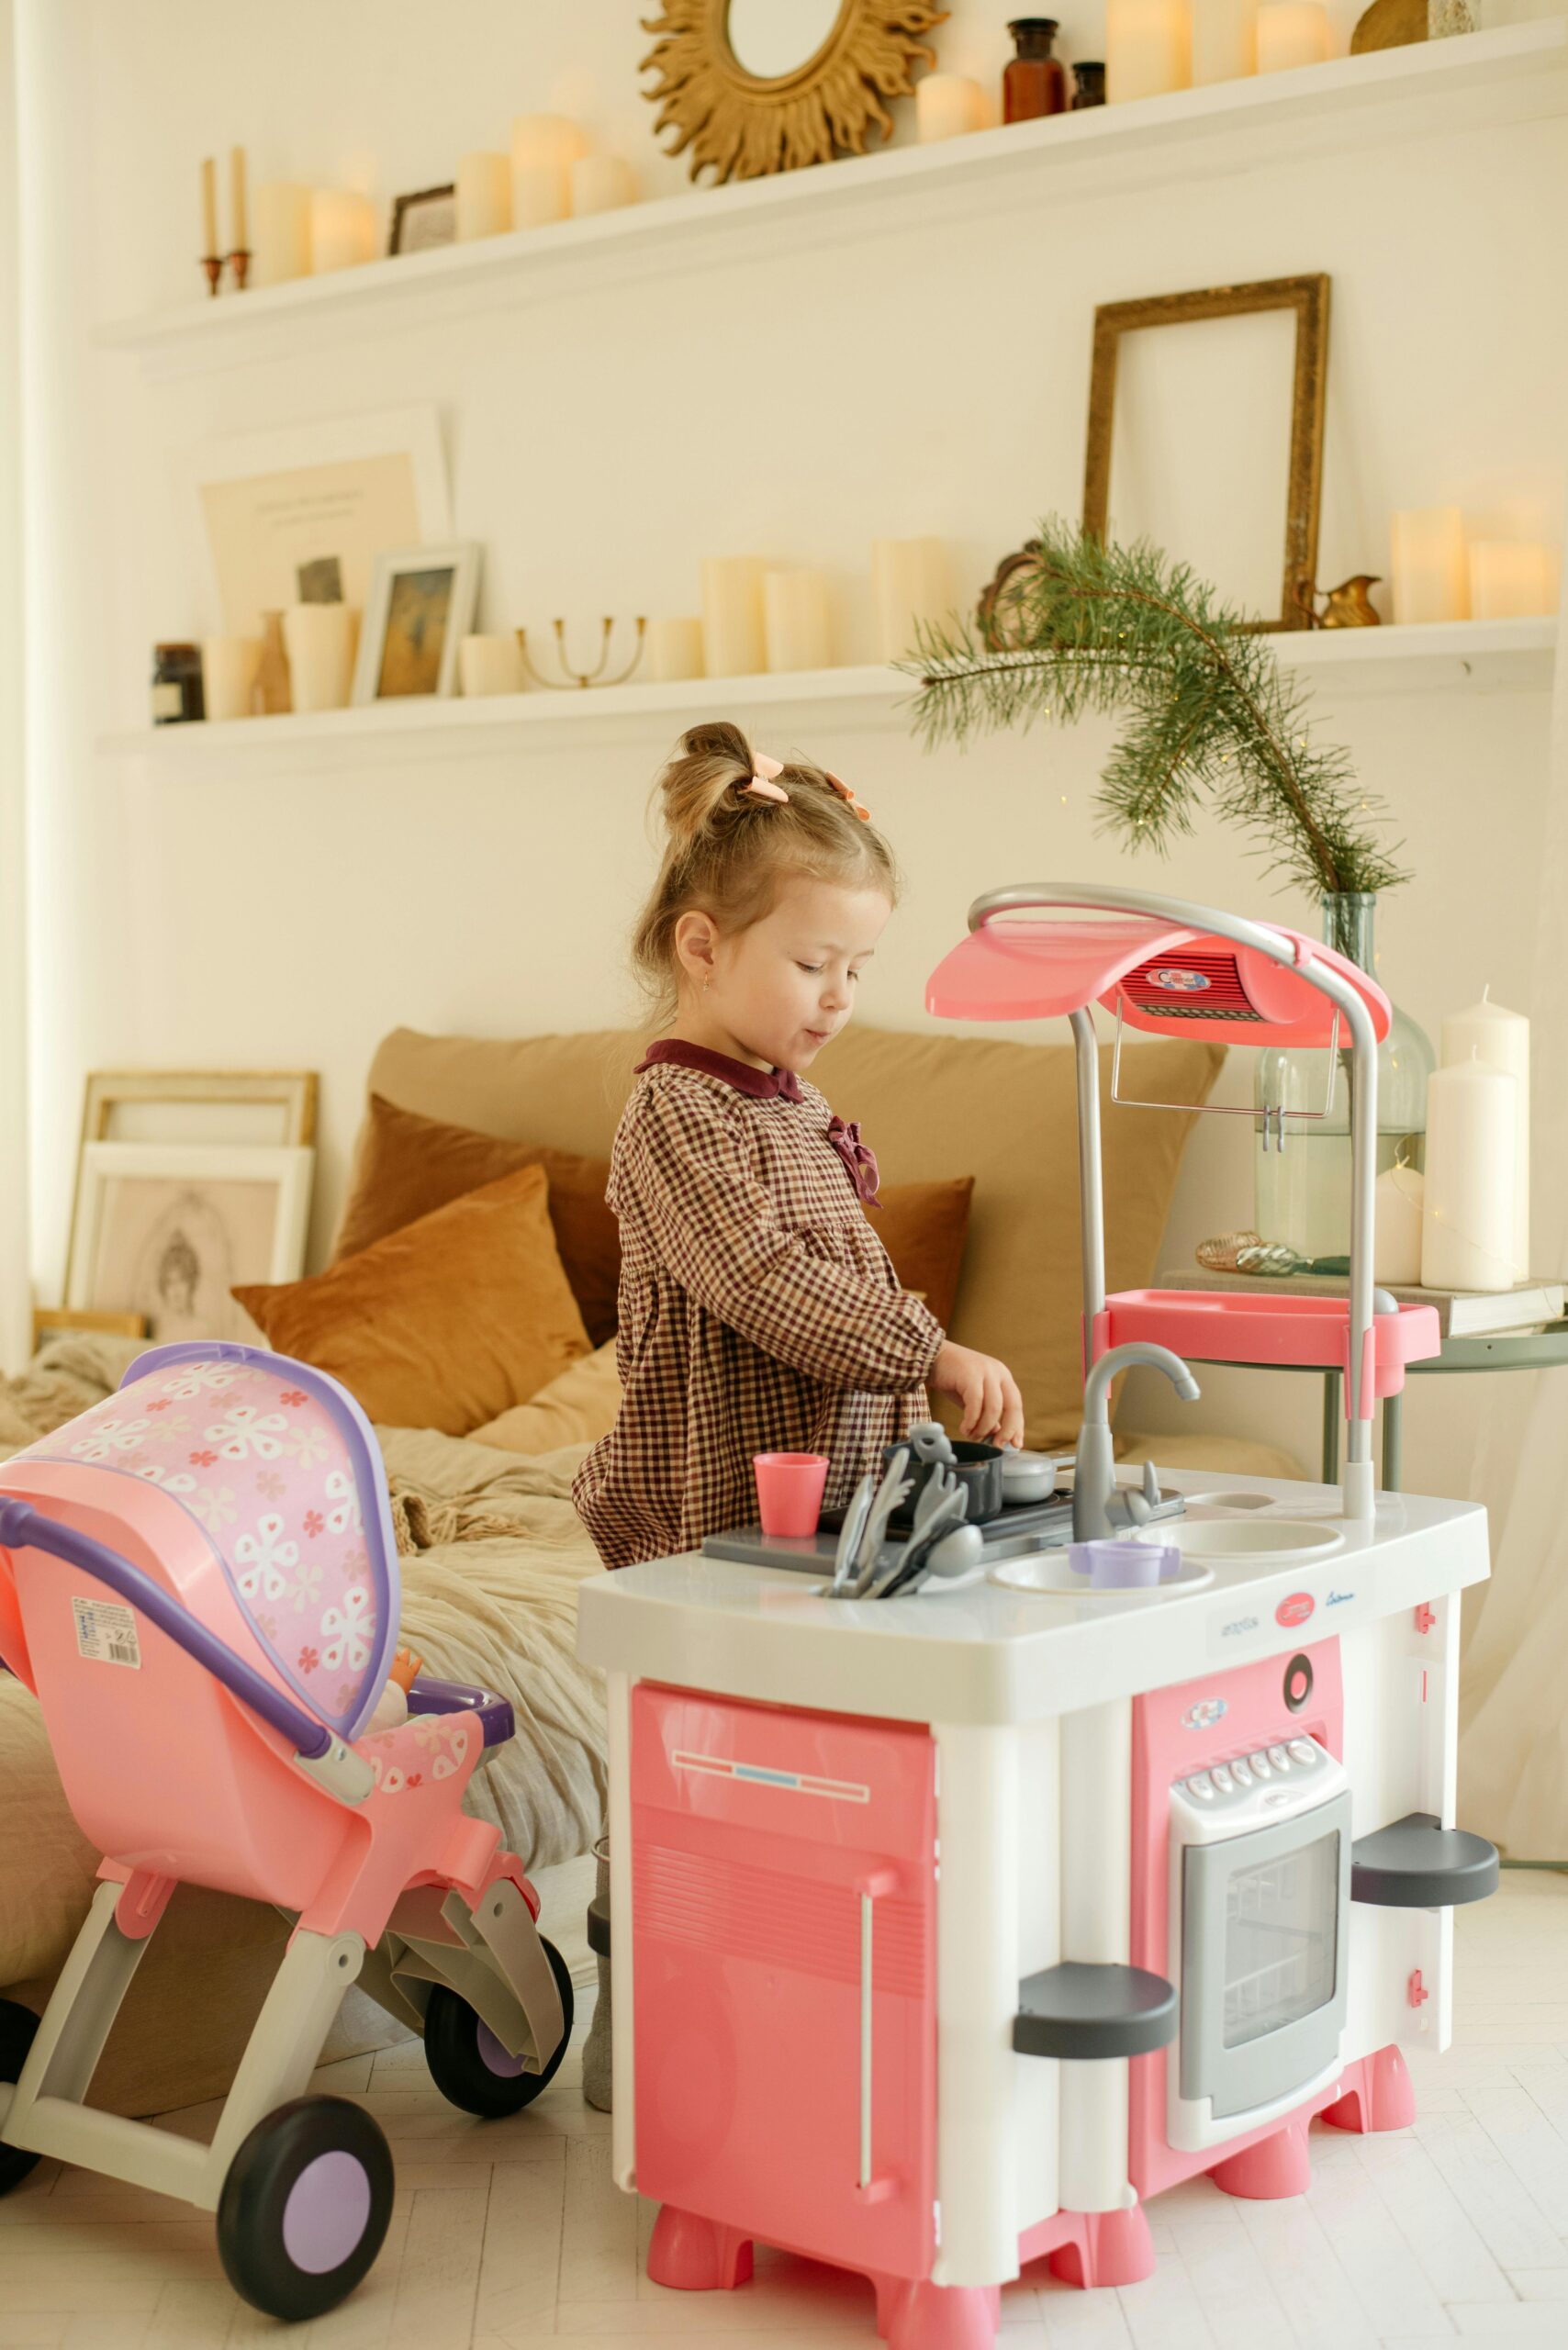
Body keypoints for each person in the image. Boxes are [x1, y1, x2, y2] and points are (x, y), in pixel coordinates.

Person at [573, 721, 1023, 1572]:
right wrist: (929, 1351)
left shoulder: (795, 1102)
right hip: (720, 1522)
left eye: (857, 969)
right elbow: (762, 1280)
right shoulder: (676, 1112)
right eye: (814, 964)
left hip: (828, 1509)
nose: (839, 998)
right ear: (702, 947)